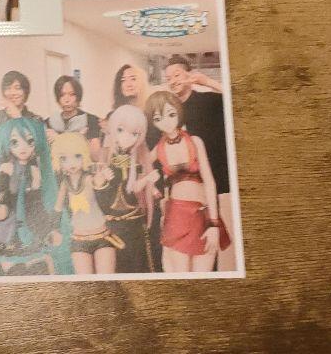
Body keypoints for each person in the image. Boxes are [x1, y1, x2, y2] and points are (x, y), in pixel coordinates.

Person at [145, 90, 231, 273]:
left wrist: (214, 223)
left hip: (203, 215)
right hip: (176, 216)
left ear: (178, 111)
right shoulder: (158, 149)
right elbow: (139, 165)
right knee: (181, 275)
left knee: (204, 274)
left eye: (171, 114)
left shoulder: (195, 142)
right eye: (158, 118)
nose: (166, 122)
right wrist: (152, 186)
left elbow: (210, 182)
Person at [162, 54, 234, 270]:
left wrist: (207, 82)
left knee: (208, 245)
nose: (173, 81)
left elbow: (240, 98)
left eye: (177, 75)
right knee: (182, 251)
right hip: (181, 194)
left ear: (189, 75)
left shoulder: (208, 101)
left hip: (209, 185)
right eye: (168, 78)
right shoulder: (169, 112)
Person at [0, 117, 70, 274]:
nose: (23, 148)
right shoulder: (7, 168)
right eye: (15, 142)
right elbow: (3, 194)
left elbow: (37, 203)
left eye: (30, 141)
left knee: (44, 265)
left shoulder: (35, 171)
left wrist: (50, 229)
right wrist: (3, 208)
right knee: (13, 270)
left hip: (33, 228)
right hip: (10, 229)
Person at [97, 105, 158, 273]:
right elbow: (99, 192)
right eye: (121, 130)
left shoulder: (138, 159)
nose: (126, 138)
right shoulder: (106, 155)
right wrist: (102, 179)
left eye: (134, 134)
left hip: (134, 223)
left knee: (138, 265)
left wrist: (147, 179)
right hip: (111, 224)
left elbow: (134, 188)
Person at [51, 131, 120, 275]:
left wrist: (104, 179)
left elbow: (99, 185)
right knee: (86, 283)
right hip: (79, 241)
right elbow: (57, 208)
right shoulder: (64, 184)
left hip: (102, 237)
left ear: (84, 155)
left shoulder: (89, 179)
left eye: (77, 156)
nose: (71, 163)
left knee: (106, 281)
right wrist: (55, 230)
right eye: (64, 158)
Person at [46, 76, 101, 160]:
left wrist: (58, 139)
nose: (67, 100)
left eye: (71, 94)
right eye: (62, 95)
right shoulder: (49, 123)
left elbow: (95, 156)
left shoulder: (91, 120)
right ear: (58, 98)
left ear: (78, 96)